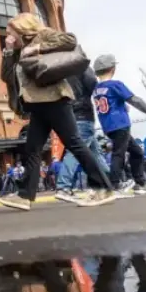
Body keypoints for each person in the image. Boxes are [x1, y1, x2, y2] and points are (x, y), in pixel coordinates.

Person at [0, 13, 115, 210]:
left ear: (21, 29)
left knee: (74, 143)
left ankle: (103, 187)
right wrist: (9, 52)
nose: (8, 37)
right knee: (33, 149)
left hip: (55, 99)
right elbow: (7, 77)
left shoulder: (42, 36)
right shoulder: (18, 51)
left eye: (10, 33)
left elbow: (70, 40)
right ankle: (25, 195)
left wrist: (37, 47)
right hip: (36, 103)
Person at [92, 55, 146, 196]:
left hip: (108, 126)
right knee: (119, 153)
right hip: (120, 123)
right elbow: (134, 100)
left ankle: (140, 183)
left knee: (137, 152)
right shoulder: (115, 84)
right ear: (113, 68)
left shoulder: (96, 89)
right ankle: (115, 184)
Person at [54, 63, 110, 203]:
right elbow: (93, 85)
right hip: (83, 114)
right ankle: (63, 186)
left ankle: (112, 181)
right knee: (76, 151)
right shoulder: (81, 65)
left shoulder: (58, 68)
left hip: (67, 113)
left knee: (95, 153)